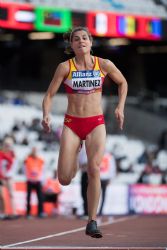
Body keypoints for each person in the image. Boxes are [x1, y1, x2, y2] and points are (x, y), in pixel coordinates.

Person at [41, 26, 128, 238]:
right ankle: (75, 156)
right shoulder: (65, 67)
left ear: (90, 42)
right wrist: (46, 114)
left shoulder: (104, 64)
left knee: (95, 169)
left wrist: (120, 107)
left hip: (96, 123)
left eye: (85, 38)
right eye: (76, 39)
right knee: (63, 179)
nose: (81, 41)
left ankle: (92, 221)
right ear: (71, 45)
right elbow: (49, 94)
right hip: (72, 123)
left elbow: (123, 82)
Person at [0, 137, 18, 219]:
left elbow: (14, 167)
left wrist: (9, 176)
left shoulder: (13, 154)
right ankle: (2, 213)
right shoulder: (0, 153)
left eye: (9, 145)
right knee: (1, 196)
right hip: (1, 177)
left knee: (12, 194)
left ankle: (14, 213)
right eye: (6, 144)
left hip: (9, 177)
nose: (8, 146)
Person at [24, 146, 45, 218]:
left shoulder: (40, 160)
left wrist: (41, 179)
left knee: (40, 197)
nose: (34, 152)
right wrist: (28, 178)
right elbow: (24, 169)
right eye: (33, 150)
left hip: (38, 180)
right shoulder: (27, 159)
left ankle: (40, 212)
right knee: (28, 197)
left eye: (35, 150)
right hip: (29, 180)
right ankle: (28, 213)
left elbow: (42, 170)